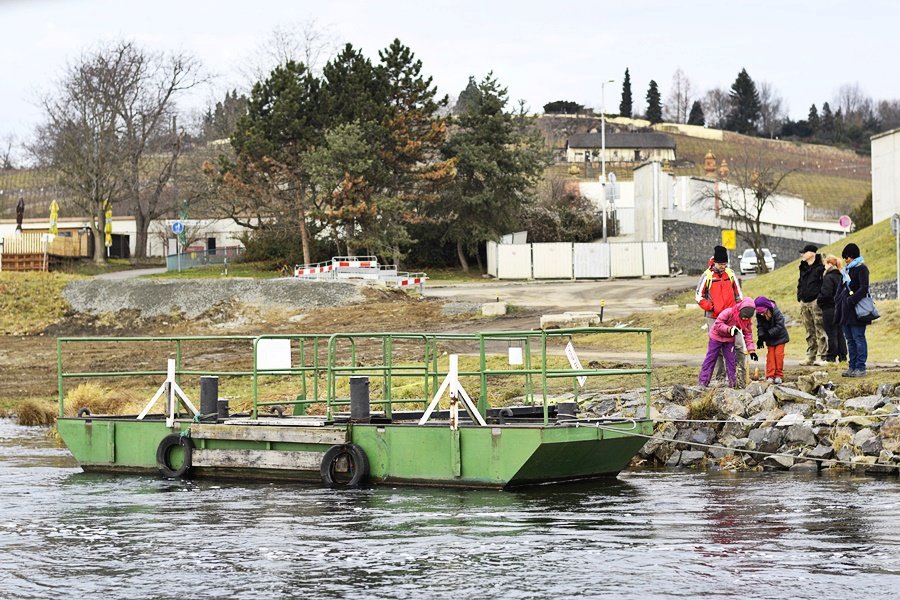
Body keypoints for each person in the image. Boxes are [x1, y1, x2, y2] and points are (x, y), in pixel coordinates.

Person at [695, 245, 746, 383]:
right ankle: (720, 377)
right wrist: (711, 307)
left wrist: (738, 310)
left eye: (725, 263)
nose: (724, 266)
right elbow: (699, 296)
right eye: (721, 264)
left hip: (731, 317)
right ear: (715, 262)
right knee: (716, 348)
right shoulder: (707, 276)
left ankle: (740, 376)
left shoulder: (730, 274)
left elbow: (739, 295)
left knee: (738, 346)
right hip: (714, 317)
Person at [699, 297, 758, 388]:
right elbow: (718, 324)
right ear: (740, 310)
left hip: (729, 341)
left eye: (747, 317)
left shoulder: (746, 320)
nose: (745, 318)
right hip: (716, 338)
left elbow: (748, 334)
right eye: (744, 316)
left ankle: (733, 383)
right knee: (710, 359)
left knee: (731, 361)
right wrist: (729, 329)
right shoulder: (728, 312)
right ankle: (703, 382)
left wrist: (752, 350)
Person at [834, 243, 870, 377]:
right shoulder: (847, 270)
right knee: (850, 340)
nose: (845, 260)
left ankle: (860, 367)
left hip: (857, 310)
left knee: (859, 338)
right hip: (845, 311)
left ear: (853, 256)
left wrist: (851, 300)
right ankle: (852, 366)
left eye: (847, 257)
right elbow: (841, 287)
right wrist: (838, 299)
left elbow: (864, 288)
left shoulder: (862, 269)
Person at [796, 243, 828, 366]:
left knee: (819, 328)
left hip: (815, 301)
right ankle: (811, 356)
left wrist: (819, 298)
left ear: (812, 253)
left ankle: (822, 355)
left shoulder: (821, 267)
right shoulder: (802, 267)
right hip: (804, 301)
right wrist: (799, 296)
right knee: (809, 331)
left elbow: (824, 284)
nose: (802, 254)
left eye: (804, 252)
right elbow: (800, 282)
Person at [817, 254, 847, 363]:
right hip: (841, 309)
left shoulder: (829, 277)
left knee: (831, 333)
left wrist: (820, 301)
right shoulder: (841, 276)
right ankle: (843, 356)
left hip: (829, 309)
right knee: (840, 334)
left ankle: (831, 357)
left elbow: (826, 294)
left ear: (829, 264)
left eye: (825, 264)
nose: (824, 267)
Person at [754, 296, 789, 384]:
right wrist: (761, 337)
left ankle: (778, 375)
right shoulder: (759, 314)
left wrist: (768, 334)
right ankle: (770, 375)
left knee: (778, 356)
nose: (761, 314)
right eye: (759, 312)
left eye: (763, 312)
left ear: (767, 307)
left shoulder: (776, 312)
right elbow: (760, 326)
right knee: (770, 357)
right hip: (770, 339)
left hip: (780, 338)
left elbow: (779, 326)